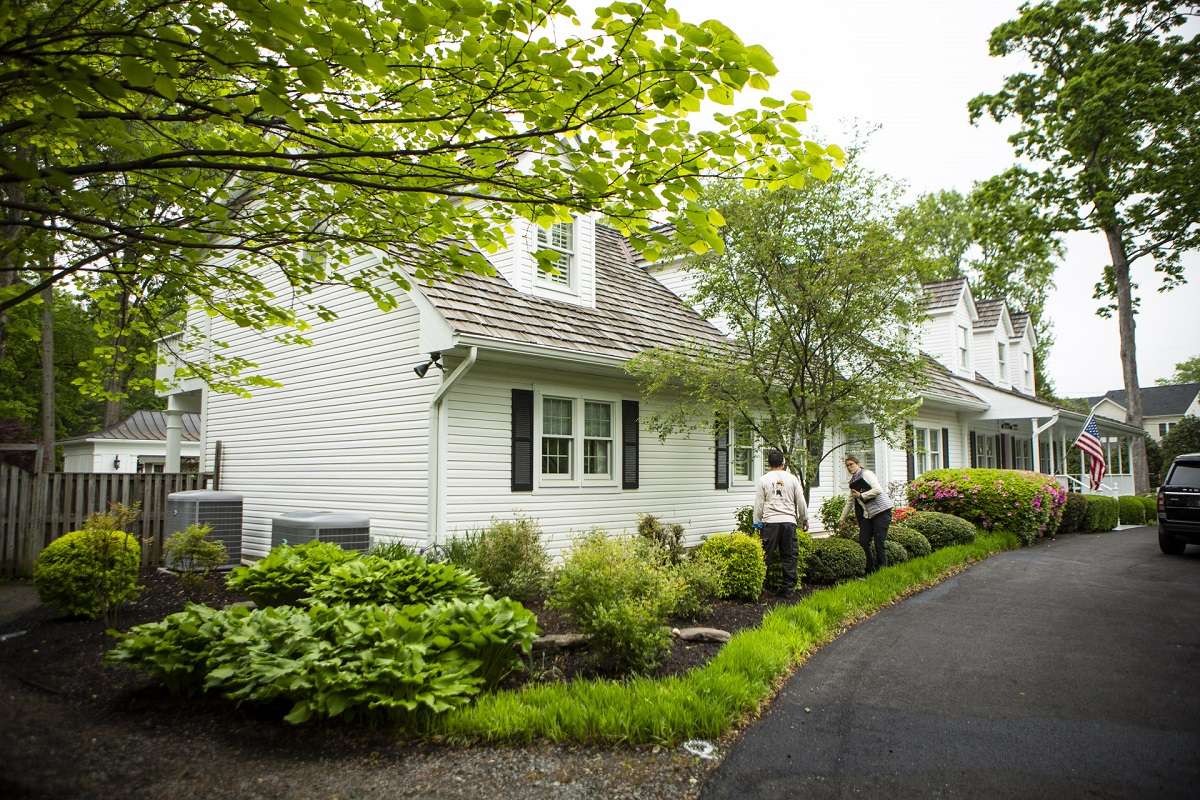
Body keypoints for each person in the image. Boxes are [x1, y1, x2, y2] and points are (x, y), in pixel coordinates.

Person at [752, 449, 808, 596]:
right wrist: (804, 519)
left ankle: (760, 588)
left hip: (770, 523)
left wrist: (757, 523)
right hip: (789, 522)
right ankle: (788, 590)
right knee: (789, 556)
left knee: (765, 556)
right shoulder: (793, 479)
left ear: (768, 463)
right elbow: (801, 501)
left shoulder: (763, 479)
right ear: (783, 463)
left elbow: (759, 504)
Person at [839, 454, 893, 572]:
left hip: (882, 512)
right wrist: (842, 518)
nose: (849, 467)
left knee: (879, 542)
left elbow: (878, 490)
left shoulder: (867, 474)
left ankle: (883, 570)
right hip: (869, 515)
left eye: (851, 464)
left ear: (858, 464)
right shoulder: (853, 482)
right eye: (847, 465)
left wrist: (861, 495)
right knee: (863, 541)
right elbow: (850, 501)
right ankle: (870, 569)